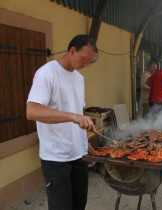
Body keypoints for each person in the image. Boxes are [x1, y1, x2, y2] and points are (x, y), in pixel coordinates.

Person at [26, 35, 98, 210]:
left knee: (79, 204)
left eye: (90, 62)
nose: (86, 65)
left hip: (78, 154)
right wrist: (72, 117)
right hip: (56, 158)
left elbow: (77, 111)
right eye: (84, 59)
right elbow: (32, 111)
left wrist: (84, 141)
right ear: (72, 51)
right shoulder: (47, 73)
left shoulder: (79, 79)